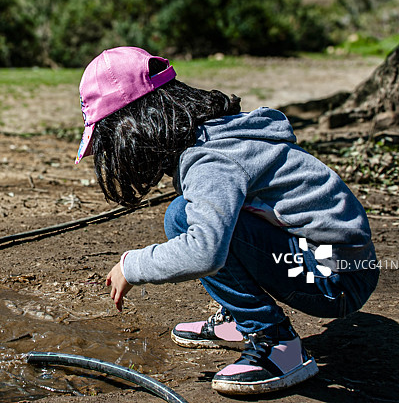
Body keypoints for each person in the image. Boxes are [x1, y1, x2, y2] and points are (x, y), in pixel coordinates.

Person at [75, 46, 379, 395]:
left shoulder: (211, 161)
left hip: (335, 280)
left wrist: (131, 266)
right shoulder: (219, 134)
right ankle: (240, 318)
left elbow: (204, 253)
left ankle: (278, 344)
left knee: (187, 224)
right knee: (183, 212)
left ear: (133, 126)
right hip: (343, 265)